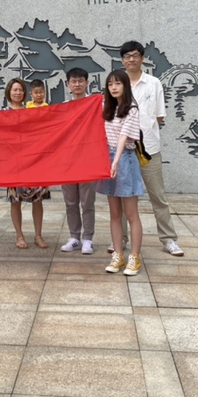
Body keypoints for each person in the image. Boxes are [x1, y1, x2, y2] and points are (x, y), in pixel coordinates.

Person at [120, 40, 184, 257]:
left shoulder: (154, 83)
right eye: (127, 56)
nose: (131, 59)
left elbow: (159, 116)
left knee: (158, 196)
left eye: (135, 55)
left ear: (142, 58)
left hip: (149, 148)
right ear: (122, 60)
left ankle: (168, 239)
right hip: (124, 150)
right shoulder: (117, 83)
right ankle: (121, 239)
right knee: (123, 196)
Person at [96, 70, 145, 276]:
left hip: (125, 159)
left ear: (125, 85)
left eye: (117, 83)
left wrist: (115, 161)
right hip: (108, 158)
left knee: (131, 213)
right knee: (114, 213)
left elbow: (124, 137)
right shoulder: (106, 107)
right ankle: (118, 255)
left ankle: (134, 256)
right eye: (110, 84)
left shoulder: (131, 108)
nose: (113, 88)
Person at [5, 78, 49, 249]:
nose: (17, 93)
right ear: (9, 92)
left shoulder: (32, 110)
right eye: (14, 90)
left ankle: (38, 235)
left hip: (34, 161)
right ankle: (19, 236)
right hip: (13, 163)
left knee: (37, 199)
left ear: (25, 93)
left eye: (20, 90)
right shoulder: (2, 113)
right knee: (15, 200)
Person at [60, 68, 97, 255]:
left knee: (87, 202)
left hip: (87, 160)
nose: (77, 84)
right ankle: (74, 236)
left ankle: (87, 238)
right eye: (73, 81)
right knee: (70, 202)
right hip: (67, 161)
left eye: (81, 81)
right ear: (68, 84)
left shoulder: (95, 104)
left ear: (87, 83)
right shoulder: (63, 107)